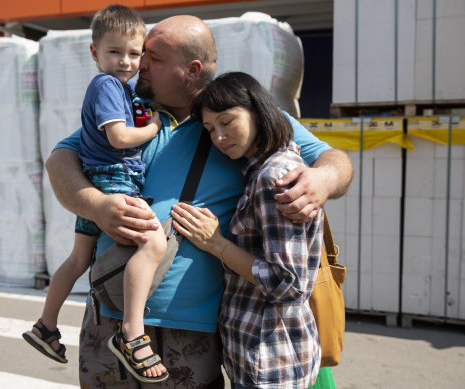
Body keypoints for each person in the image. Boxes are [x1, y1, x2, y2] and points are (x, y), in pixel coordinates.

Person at [45, 14, 354, 389]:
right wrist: (96, 206)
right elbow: (60, 159)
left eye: (153, 58)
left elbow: (335, 159)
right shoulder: (132, 114)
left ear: (191, 69)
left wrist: (322, 179)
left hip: (193, 328)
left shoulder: (242, 118)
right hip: (109, 314)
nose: (139, 63)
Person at [23, 5, 168, 381]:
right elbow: (119, 137)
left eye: (134, 54)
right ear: (94, 53)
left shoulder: (122, 88)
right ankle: (132, 334)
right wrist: (153, 126)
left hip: (98, 178)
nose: (125, 62)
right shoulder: (105, 85)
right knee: (153, 243)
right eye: (115, 52)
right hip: (114, 178)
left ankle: (46, 325)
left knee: (77, 259)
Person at [170, 71, 322, 388]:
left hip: (271, 360)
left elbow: (287, 284)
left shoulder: (273, 176)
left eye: (227, 122)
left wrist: (216, 244)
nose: (219, 137)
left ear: (257, 111)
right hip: (260, 354)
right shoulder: (259, 170)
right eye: (211, 129)